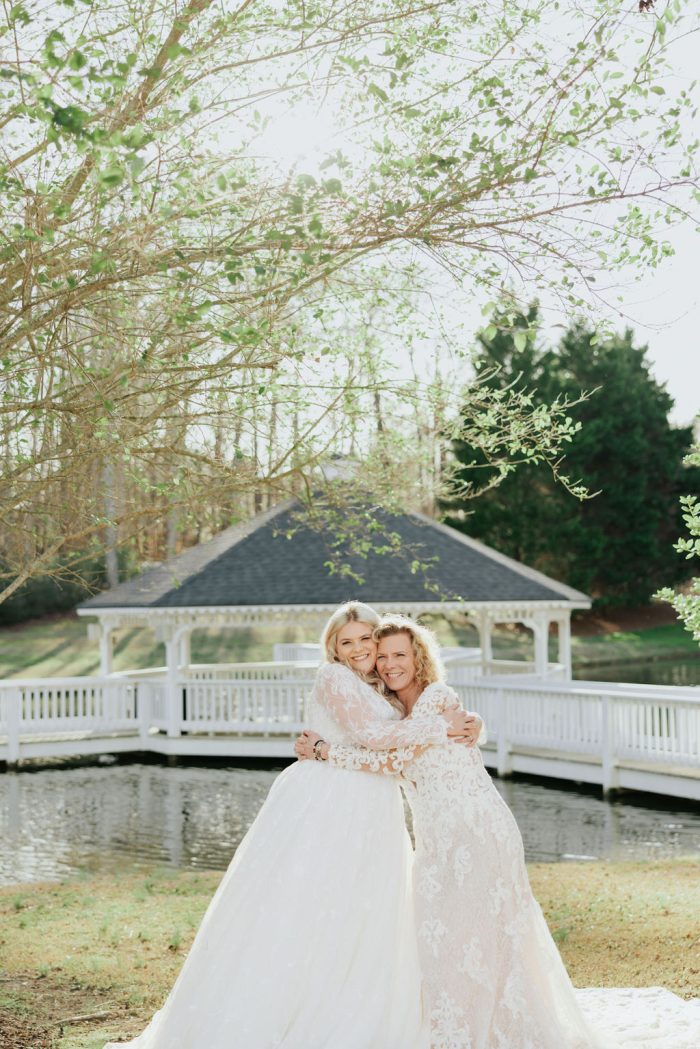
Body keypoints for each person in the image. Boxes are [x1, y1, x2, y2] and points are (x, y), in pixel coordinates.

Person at [298, 615, 700, 1049]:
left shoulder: (439, 700)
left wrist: (325, 750)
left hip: (478, 832)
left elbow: (391, 760)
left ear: (418, 659)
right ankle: (454, 1026)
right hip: (436, 843)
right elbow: (391, 755)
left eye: (400, 654)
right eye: (383, 656)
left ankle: (496, 1028)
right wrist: (332, 749)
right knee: (445, 939)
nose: (390, 663)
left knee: (488, 935)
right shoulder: (398, 715)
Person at [104, 601, 479, 1049]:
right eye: (348, 641)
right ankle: (291, 1010)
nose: (360, 649)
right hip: (332, 800)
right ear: (333, 647)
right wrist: (441, 728)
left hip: (373, 803)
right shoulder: (334, 677)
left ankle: (350, 1002)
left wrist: (473, 724)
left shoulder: (379, 686)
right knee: (311, 902)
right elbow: (374, 738)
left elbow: (403, 737)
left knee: (363, 908)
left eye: (366, 640)